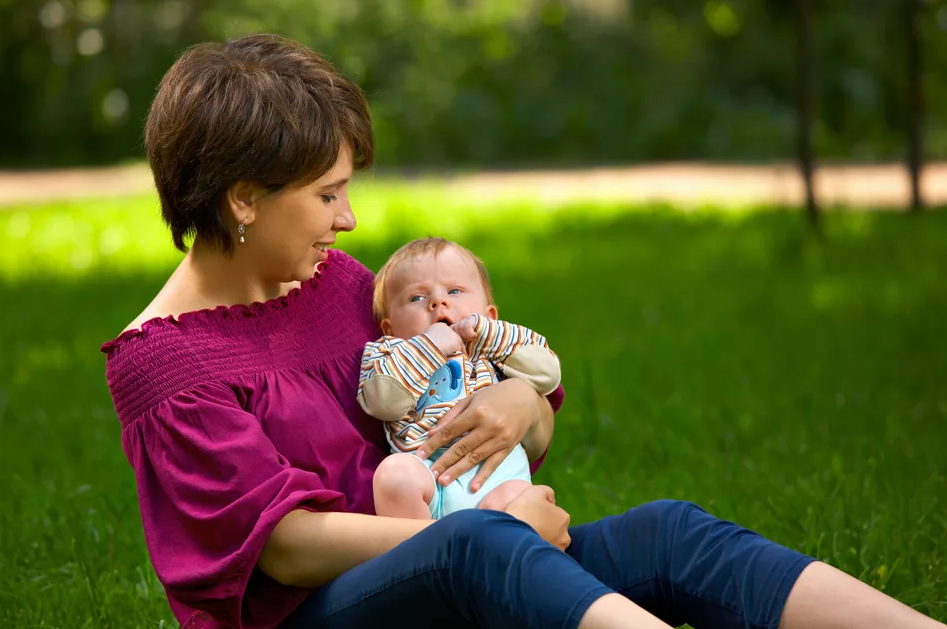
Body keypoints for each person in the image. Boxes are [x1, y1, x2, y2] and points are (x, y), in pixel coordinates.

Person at [101, 33, 945, 629]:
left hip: (458, 549)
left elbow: (515, 418)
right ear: (242, 199)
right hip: (328, 607)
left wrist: (515, 401)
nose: (349, 220)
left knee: (667, 530)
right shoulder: (164, 362)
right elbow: (284, 549)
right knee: (476, 547)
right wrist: (492, 535)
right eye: (326, 195)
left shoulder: (334, 285)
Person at [360, 237, 561, 519]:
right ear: (389, 328)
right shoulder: (390, 351)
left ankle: (511, 553)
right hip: (428, 478)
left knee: (522, 502)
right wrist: (427, 347)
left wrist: (489, 335)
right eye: (416, 298)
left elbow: (548, 374)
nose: (437, 302)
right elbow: (383, 403)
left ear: (489, 314)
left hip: (498, 475)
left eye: (454, 291)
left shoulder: (496, 348)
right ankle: (418, 553)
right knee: (393, 476)